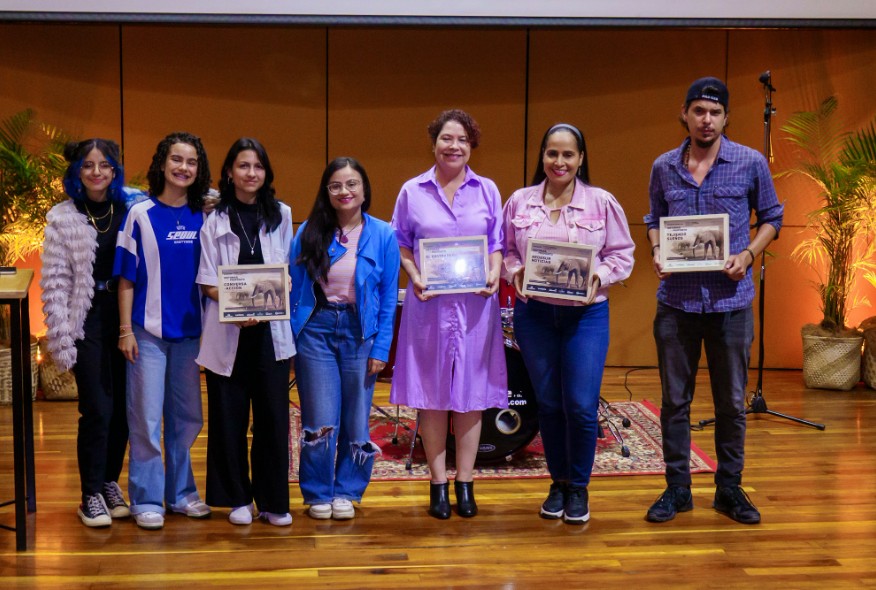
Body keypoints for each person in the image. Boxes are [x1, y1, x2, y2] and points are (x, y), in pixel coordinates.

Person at [643, 77, 784, 525]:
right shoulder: (664, 166)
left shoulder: (750, 161)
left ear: (726, 117)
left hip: (731, 303)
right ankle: (677, 489)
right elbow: (654, 219)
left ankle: (728, 489)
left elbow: (773, 217)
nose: (706, 119)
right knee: (674, 403)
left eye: (715, 112)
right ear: (684, 114)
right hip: (677, 304)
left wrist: (747, 254)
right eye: (699, 111)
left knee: (730, 402)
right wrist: (656, 250)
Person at [502, 123, 635, 524]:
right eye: (552, 154)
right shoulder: (520, 202)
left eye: (568, 155)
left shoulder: (602, 202)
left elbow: (622, 254)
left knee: (579, 405)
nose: (559, 162)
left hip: (586, 316)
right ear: (542, 156)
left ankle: (578, 487)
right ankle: (557, 483)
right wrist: (515, 271)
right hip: (536, 315)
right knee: (549, 404)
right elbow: (506, 249)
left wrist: (599, 277)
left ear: (580, 159)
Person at [390, 109, 506, 519]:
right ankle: (438, 482)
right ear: (433, 143)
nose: (453, 146)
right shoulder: (412, 191)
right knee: (432, 395)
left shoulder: (487, 189)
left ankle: (466, 481)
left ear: (471, 145)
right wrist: (414, 274)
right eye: (446, 139)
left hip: (476, 307)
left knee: (471, 397)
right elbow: (401, 243)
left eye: (462, 140)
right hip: (428, 305)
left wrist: (494, 270)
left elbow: (496, 242)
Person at [41, 139, 144, 527]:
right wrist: (61, 337)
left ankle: (108, 482)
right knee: (97, 408)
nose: (97, 172)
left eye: (104, 165)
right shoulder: (63, 217)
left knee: (122, 410)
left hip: (127, 314)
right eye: (88, 166)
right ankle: (89, 495)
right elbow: (54, 282)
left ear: (115, 171)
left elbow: (175, 203)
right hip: (86, 318)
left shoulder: (132, 207)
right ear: (76, 172)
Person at [290, 157, 399, 521]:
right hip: (316, 331)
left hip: (360, 333)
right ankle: (318, 491)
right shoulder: (308, 232)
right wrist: (290, 336)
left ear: (364, 190)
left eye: (352, 184)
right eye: (336, 185)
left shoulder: (383, 234)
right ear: (326, 191)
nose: (344, 191)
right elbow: (290, 290)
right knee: (320, 418)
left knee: (355, 418)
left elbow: (387, 298)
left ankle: (348, 490)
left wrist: (381, 347)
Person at [115, 131, 213, 530]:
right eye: (176, 159)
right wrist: (125, 330)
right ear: (162, 163)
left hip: (190, 335)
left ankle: (181, 493)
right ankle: (147, 498)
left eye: (191, 162)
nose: (183, 168)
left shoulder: (206, 215)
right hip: (148, 334)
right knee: (146, 419)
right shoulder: (139, 214)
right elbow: (124, 276)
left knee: (187, 418)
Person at [196, 138, 295, 527]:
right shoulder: (214, 218)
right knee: (228, 416)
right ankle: (236, 497)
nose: (251, 173)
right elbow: (207, 281)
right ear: (230, 172)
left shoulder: (282, 214)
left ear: (266, 173)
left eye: (258, 166)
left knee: (272, 417)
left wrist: (276, 293)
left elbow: (287, 270)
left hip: (272, 334)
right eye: (243, 166)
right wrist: (237, 309)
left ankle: (273, 500)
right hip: (228, 330)